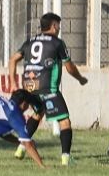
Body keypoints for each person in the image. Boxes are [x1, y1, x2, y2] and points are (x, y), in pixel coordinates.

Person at [8, 12, 88, 166]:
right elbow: (69, 67)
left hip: (29, 86)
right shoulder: (57, 43)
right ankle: (66, 158)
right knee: (64, 120)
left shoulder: (30, 41)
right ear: (54, 26)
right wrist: (80, 78)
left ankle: (21, 148)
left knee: (38, 113)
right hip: (47, 88)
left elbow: (13, 59)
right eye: (58, 25)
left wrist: (13, 82)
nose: (59, 28)